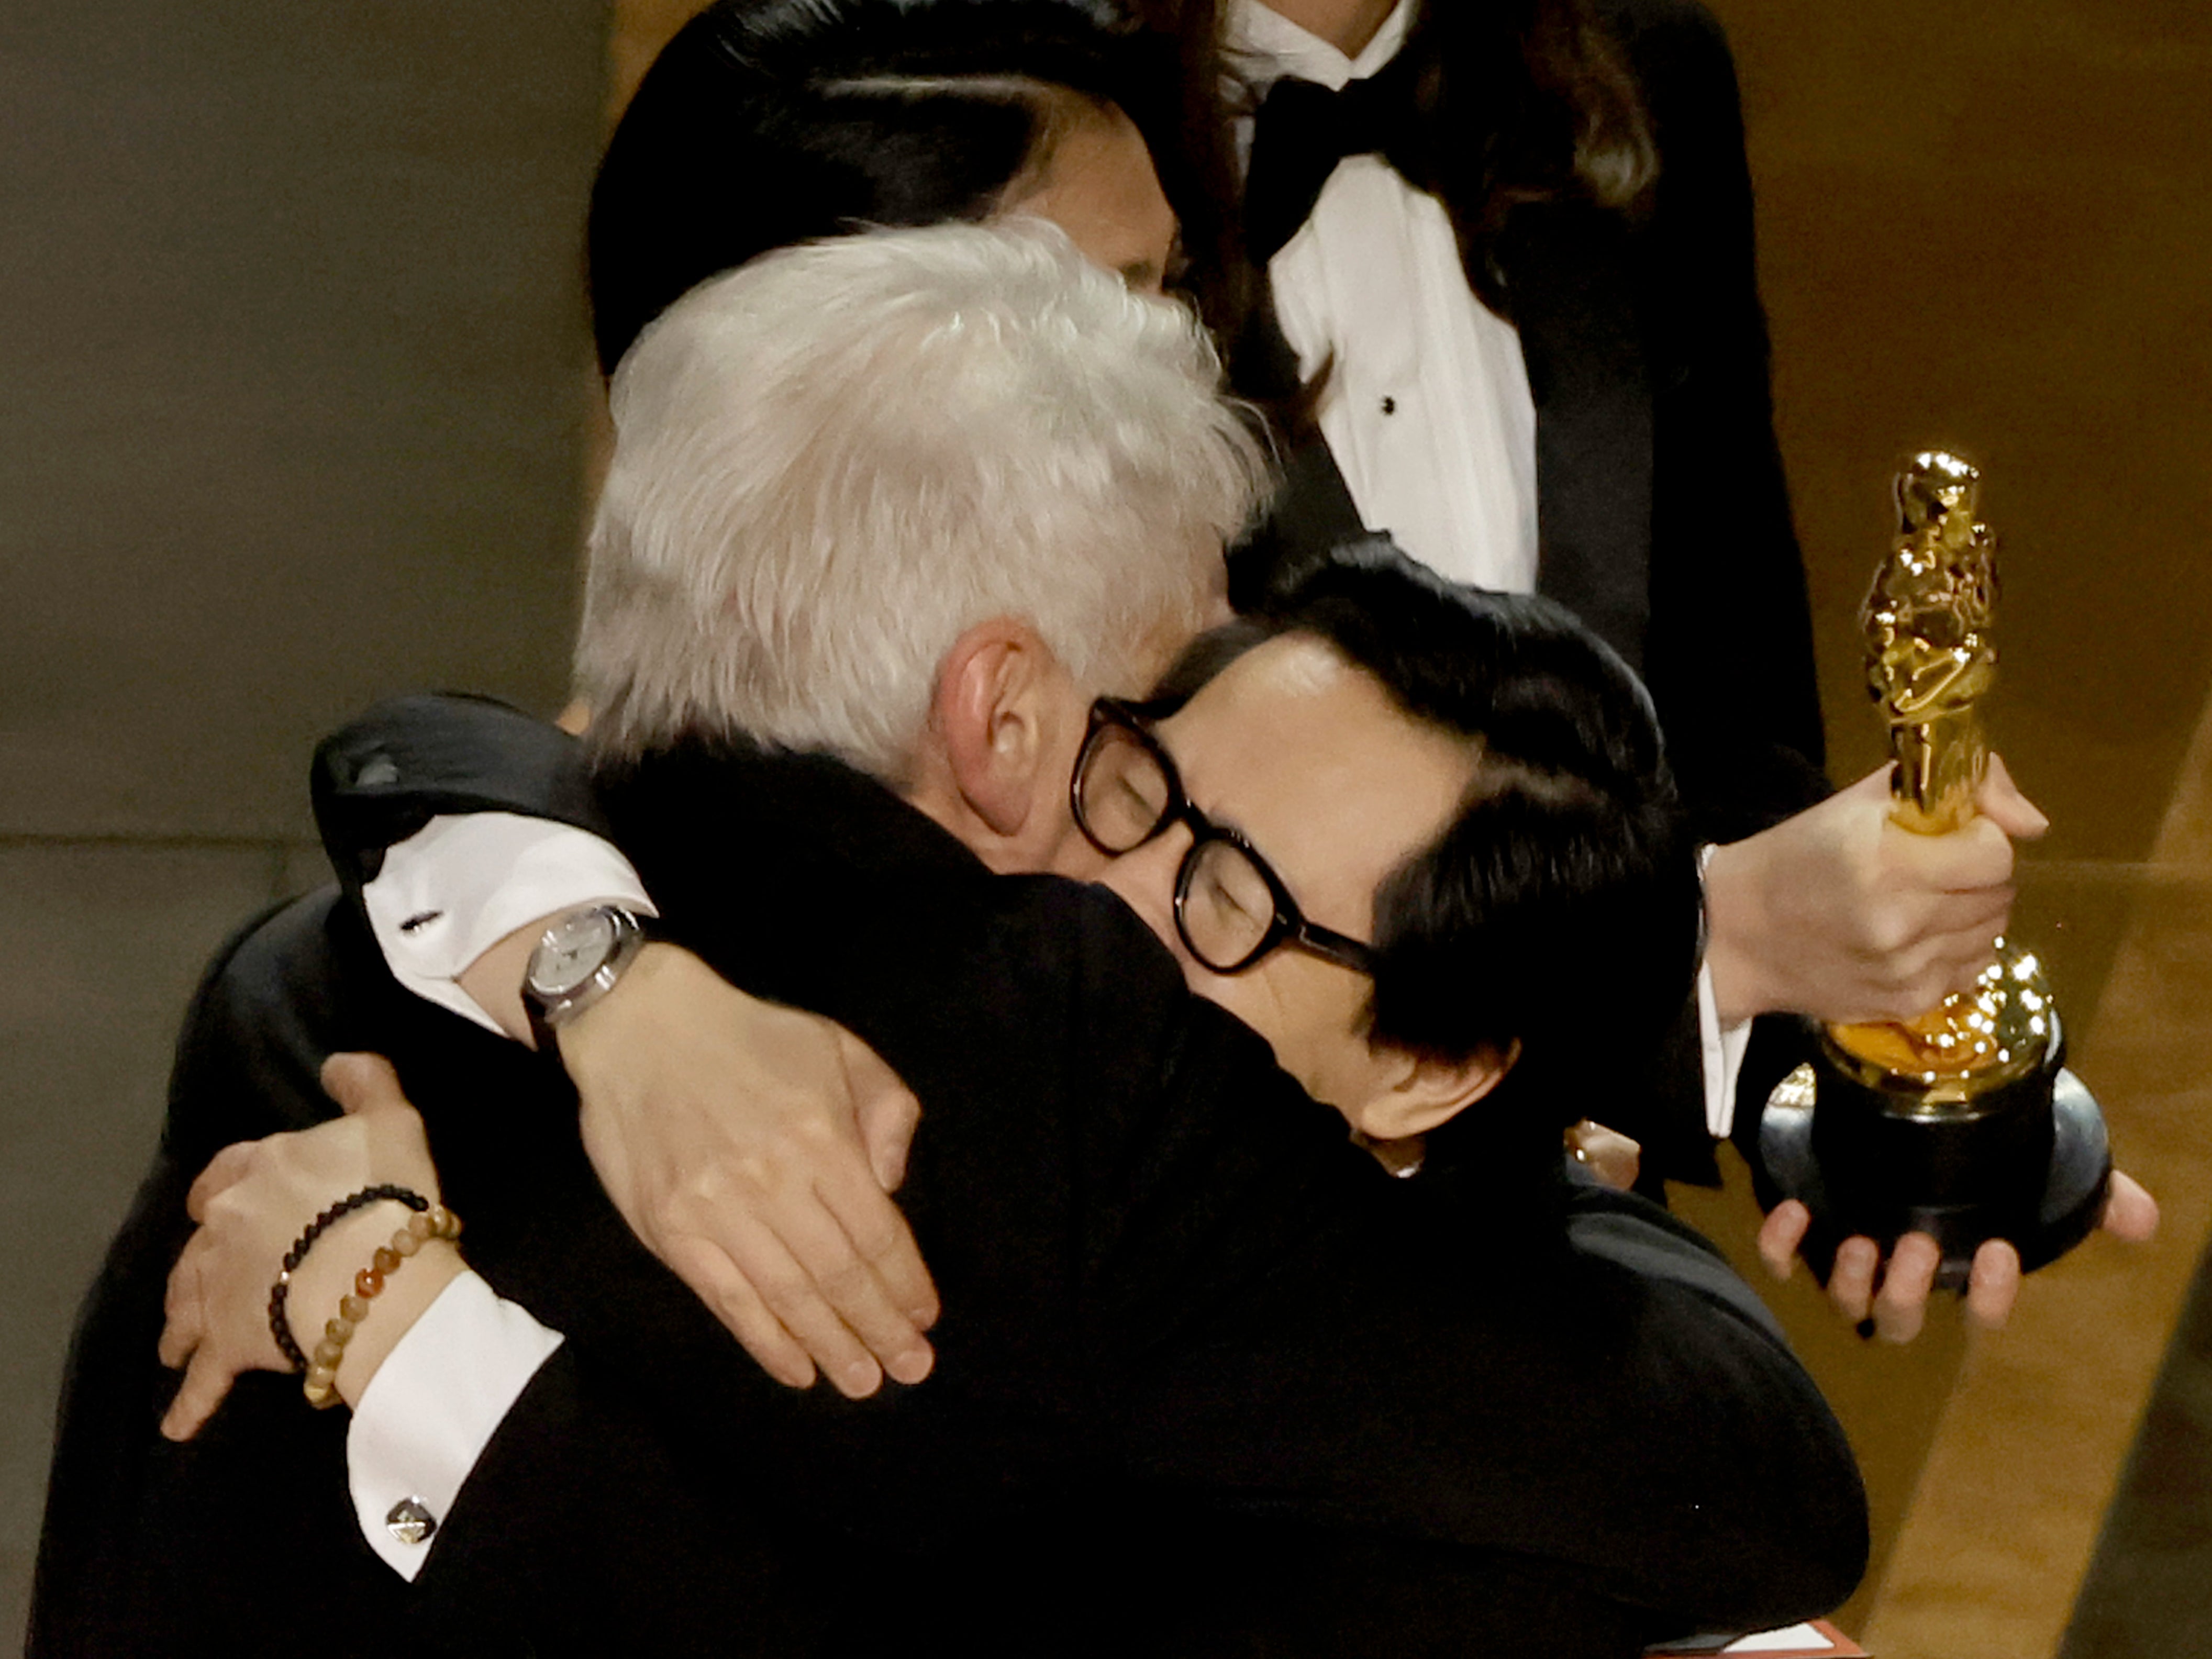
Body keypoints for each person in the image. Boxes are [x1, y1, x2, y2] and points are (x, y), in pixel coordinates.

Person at [34, 224, 1864, 1656]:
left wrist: (426, 1304)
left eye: (1213, 877)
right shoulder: (1078, 1083)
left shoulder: (320, 978)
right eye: (1144, 758)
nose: (1130, 900)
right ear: (1006, 713)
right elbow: (1739, 1464)